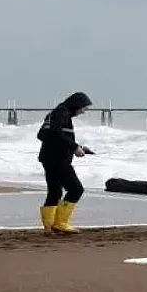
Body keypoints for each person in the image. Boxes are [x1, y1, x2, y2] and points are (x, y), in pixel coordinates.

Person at [36, 92, 94, 234]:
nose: (84, 112)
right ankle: (60, 223)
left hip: (49, 158)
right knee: (76, 189)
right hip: (58, 160)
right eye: (84, 108)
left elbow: (49, 135)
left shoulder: (56, 113)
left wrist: (78, 146)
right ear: (77, 104)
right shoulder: (62, 113)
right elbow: (56, 133)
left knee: (54, 192)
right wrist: (74, 147)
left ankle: (49, 226)